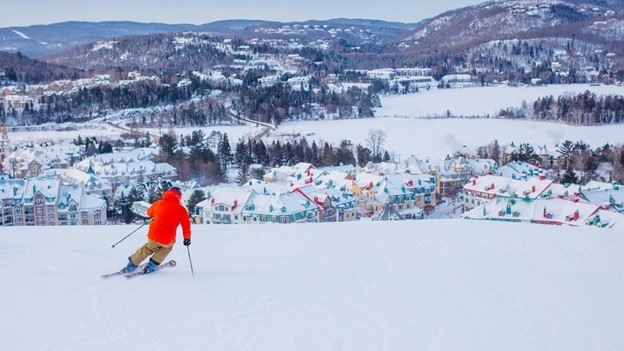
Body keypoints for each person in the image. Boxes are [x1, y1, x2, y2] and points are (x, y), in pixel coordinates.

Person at [122, 187, 192, 274]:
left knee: (147, 248)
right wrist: (187, 238)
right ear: (179, 197)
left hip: (153, 235)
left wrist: (157, 214)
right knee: (165, 249)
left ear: (167, 193)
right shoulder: (181, 209)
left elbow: (149, 213)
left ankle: (131, 265)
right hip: (167, 239)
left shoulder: (158, 203)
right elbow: (186, 225)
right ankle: (151, 266)